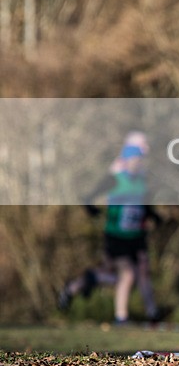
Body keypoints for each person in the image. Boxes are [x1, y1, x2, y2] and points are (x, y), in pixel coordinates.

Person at [58, 131, 162, 324]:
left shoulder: (142, 180)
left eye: (140, 159)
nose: (138, 163)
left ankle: (152, 313)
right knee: (126, 274)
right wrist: (91, 209)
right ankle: (120, 316)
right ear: (127, 159)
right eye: (135, 159)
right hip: (116, 237)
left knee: (141, 272)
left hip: (137, 236)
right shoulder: (115, 178)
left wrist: (154, 216)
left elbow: (144, 205)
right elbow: (89, 197)